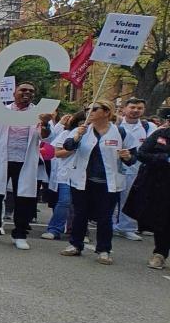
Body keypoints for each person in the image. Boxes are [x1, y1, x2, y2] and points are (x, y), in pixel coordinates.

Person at [58, 100, 137, 265]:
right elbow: (68, 146)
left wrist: (127, 157)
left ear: (107, 112)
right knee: (80, 214)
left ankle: (104, 250)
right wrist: (77, 136)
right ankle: (75, 244)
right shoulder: (82, 130)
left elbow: (133, 157)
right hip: (83, 180)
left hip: (108, 183)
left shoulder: (120, 132)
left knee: (105, 217)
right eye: (87, 109)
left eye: (94, 109)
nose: (90, 112)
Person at [0, 82, 53, 250]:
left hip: (25, 161)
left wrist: (46, 123)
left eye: (31, 91)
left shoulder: (39, 114)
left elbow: (46, 137)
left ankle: (19, 234)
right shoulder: (0, 111)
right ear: (14, 93)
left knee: (24, 198)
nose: (27, 93)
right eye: (23, 90)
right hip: (1, 159)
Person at [122, 121, 170, 269]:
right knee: (163, 220)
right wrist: (165, 158)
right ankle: (160, 254)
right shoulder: (161, 134)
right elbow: (141, 154)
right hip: (161, 185)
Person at [114, 97, 155, 241]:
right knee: (110, 198)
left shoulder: (148, 127)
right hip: (113, 168)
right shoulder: (115, 124)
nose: (136, 110)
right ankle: (108, 225)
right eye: (132, 107)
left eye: (139, 108)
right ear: (124, 109)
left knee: (130, 199)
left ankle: (126, 228)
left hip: (136, 169)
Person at [41, 110, 86, 241]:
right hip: (67, 174)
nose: (85, 125)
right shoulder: (67, 134)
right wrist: (73, 148)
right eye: (82, 122)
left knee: (81, 205)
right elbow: (57, 153)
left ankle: (80, 232)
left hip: (84, 174)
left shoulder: (96, 135)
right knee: (64, 201)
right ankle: (54, 229)